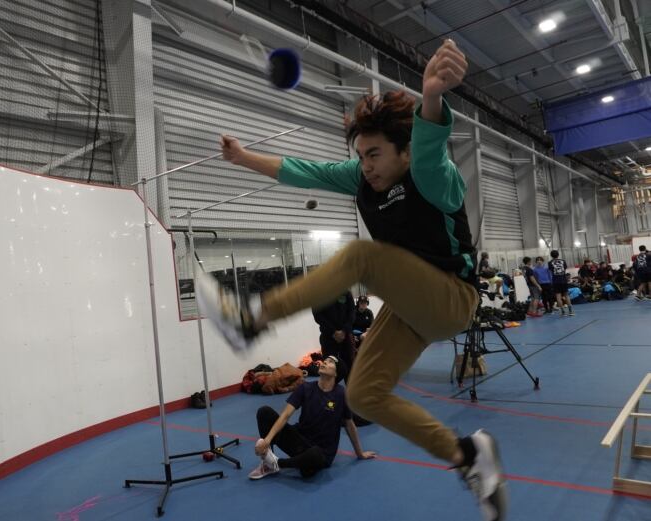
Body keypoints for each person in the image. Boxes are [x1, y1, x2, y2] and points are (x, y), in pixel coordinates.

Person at [202, 39, 508, 521]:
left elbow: (429, 144)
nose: (367, 165)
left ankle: (252, 318)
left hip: (452, 299)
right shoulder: (363, 178)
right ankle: (467, 457)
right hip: (413, 310)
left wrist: (431, 97)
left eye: (376, 154)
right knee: (364, 394)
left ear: (404, 153)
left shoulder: (430, 173)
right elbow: (305, 171)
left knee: (364, 255)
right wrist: (243, 158)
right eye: (361, 155)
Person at [250, 355, 375, 480]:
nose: (324, 363)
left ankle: (277, 464)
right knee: (264, 412)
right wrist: (267, 440)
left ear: (337, 373)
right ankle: (267, 458)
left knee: (313, 457)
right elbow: (285, 415)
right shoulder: (305, 388)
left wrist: (360, 453)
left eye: (330, 362)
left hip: (322, 451)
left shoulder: (341, 394)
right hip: (300, 441)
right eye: (325, 361)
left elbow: (349, 425)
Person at [312, 290, 356, 380]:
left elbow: (352, 312)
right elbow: (318, 316)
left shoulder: (346, 291)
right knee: (328, 368)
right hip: (328, 336)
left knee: (349, 365)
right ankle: (328, 392)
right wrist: (333, 332)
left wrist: (344, 331)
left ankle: (351, 392)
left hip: (346, 335)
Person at [548, 250, 573, 317]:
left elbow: (551, 271)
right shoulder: (563, 261)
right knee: (566, 295)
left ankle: (563, 312)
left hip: (556, 281)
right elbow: (564, 269)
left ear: (551, 255)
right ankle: (570, 311)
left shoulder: (550, 262)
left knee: (558, 296)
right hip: (563, 280)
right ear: (558, 255)